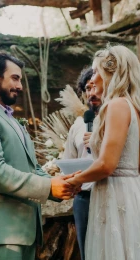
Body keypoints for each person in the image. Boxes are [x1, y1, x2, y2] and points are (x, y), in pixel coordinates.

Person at [0, 53, 77, 260]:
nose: (20, 86)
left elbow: (32, 169)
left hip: (24, 235)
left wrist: (59, 185)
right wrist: (48, 187)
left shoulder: (13, 122)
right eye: (15, 78)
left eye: (20, 80)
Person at [67, 45, 140, 259]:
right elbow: (135, 166)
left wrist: (74, 181)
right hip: (134, 193)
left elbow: (107, 165)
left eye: (96, 71)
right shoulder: (134, 107)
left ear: (111, 73)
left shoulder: (116, 105)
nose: (92, 79)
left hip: (115, 197)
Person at [62, 67, 101, 260]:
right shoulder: (78, 125)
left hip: (112, 193)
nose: (91, 93)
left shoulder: (119, 119)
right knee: (88, 253)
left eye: (95, 86)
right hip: (83, 199)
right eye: (87, 88)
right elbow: (68, 159)